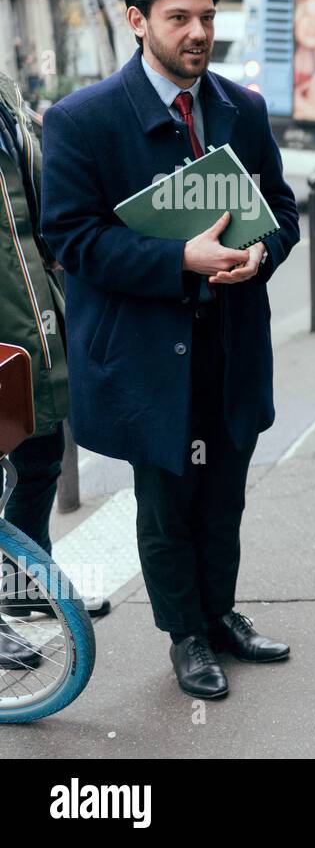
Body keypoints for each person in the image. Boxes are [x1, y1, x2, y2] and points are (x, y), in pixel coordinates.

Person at [40, 0, 301, 700]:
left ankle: (220, 615)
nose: (198, 33)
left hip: (231, 341)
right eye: (179, 18)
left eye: (207, 18)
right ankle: (185, 635)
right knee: (166, 501)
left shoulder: (242, 107)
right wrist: (179, 258)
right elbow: (70, 238)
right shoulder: (82, 118)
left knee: (226, 493)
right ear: (137, 21)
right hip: (148, 352)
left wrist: (261, 252)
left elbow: (282, 210)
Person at [0, 70, 111, 672]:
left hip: (31, 312)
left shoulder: (8, 104)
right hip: (13, 313)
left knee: (40, 453)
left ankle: (24, 586)